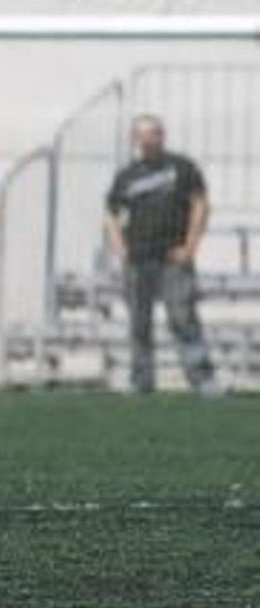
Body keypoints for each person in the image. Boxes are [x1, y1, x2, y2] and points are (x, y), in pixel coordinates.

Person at [105, 114, 220, 396]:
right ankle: (141, 381)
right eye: (141, 134)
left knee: (183, 319)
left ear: (162, 136)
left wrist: (190, 246)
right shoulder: (127, 175)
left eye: (152, 133)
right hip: (138, 261)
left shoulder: (182, 167)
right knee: (139, 324)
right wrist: (120, 248)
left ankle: (202, 380)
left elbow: (201, 205)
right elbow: (111, 213)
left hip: (173, 258)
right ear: (134, 139)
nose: (146, 139)